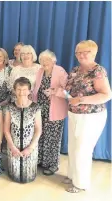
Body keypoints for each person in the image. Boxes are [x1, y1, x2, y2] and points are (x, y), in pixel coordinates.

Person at [64, 40, 112, 193]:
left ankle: (81, 184)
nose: (81, 55)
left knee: (82, 150)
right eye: (78, 52)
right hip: (74, 114)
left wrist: (81, 100)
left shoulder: (98, 71)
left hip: (91, 116)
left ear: (94, 53)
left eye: (85, 52)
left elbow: (106, 95)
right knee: (73, 147)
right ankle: (72, 176)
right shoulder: (75, 70)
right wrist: (60, 93)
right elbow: (69, 92)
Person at [32, 50, 68, 175]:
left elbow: (68, 91)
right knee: (40, 135)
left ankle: (53, 164)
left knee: (53, 139)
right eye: (42, 60)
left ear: (54, 60)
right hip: (40, 109)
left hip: (55, 111)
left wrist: (54, 91)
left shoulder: (60, 71)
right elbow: (36, 88)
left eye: (47, 60)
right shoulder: (40, 71)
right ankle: (40, 160)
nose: (44, 62)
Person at [4, 77, 42, 183]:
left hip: (30, 146)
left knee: (28, 175)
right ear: (14, 91)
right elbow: (6, 129)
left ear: (30, 91)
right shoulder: (9, 107)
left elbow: (38, 130)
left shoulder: (36, 107)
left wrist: (31, 147)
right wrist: (12, 146)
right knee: (14, 174)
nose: (21, 93)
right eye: (19, 89)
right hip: (13, 146)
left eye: (25, 89)